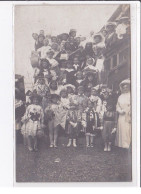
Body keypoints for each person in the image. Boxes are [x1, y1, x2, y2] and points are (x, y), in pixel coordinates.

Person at [115, 79, 131, 149]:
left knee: (127, 129)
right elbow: (117, 105)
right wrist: (120, 111)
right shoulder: (120, 96)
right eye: (124, 87)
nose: (125, 89)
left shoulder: (131, 95)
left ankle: (127, 144)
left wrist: (126, 110)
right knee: (121, 128)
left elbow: (131, 105)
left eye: (127, 87)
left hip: (128, 114)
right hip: (121, 115)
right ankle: (121, 143)